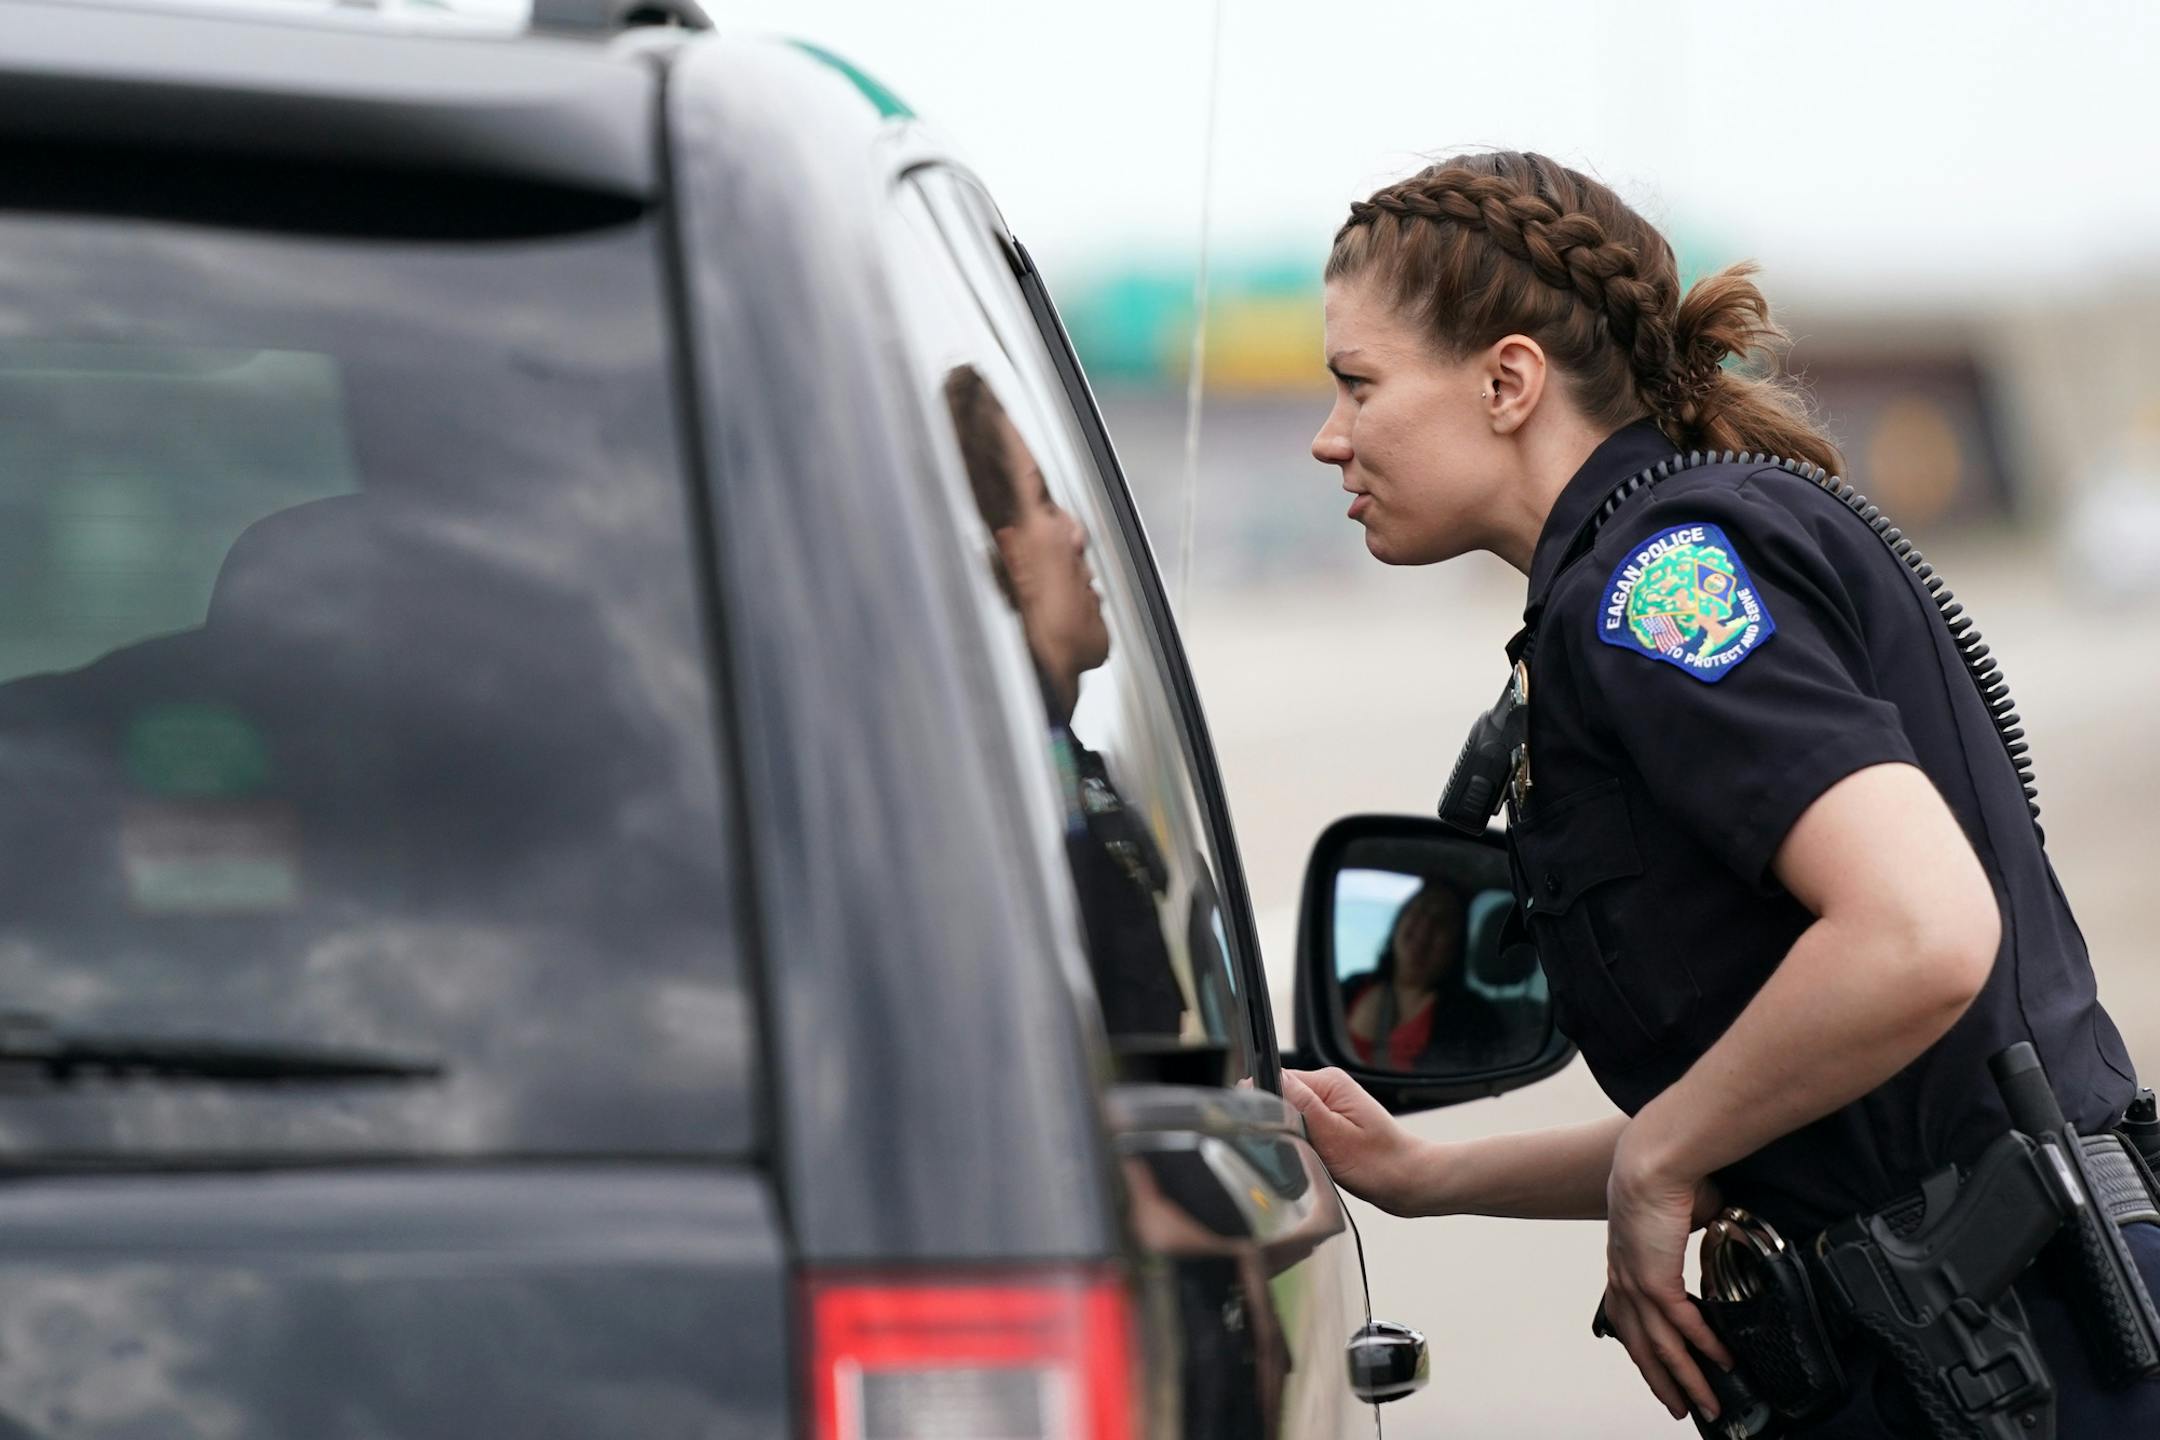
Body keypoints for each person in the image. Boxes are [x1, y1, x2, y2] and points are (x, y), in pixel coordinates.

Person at [1284, 150, 2158, 1436]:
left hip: (2021, 1368)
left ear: (1509, 382)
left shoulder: (1658, 581)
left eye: (1358, 383)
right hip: (1983, 1353)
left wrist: (1661, 1154)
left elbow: (1918, 932)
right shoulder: (1644, 565)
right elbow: (1790, 1116)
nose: (1330, 435)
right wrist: (1424, 1173)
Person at [941, 364, 1187, 1039]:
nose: (1079, 532)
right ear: (1013, 559)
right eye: (1045, 501)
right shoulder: (1019, 798)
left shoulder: (1025, 769)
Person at [1342, 882, 1517, 1073]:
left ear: (1457, 943)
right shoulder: (1351, 987)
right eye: (1420, 911)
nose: (1425, 927)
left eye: (1442, 921)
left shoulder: (1474, 1019)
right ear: (1399, 922)